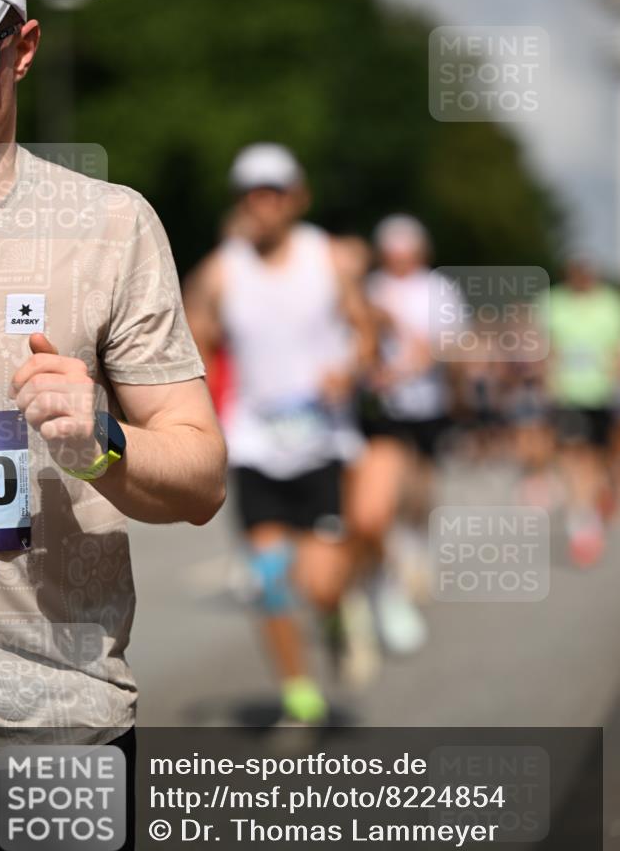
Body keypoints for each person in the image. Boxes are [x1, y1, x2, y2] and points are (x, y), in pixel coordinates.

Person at [0, 0, 227, 851]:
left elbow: (198, 477)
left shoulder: (108, 230)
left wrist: (104, 440)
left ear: (21, 48)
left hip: (53, 733)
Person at [185, 142, 374, 722]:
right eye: (250, 192)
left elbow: (365, 332)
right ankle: (301, 694)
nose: (261, 203)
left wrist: (350, 369)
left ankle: (337, 612)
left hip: (321, 444)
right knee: (268, 581)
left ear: (297, 197)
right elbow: (189, 347)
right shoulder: (220, 270)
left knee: (319, 584)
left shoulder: (329, 258)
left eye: (272, 191)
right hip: (256, 445)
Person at [348, 215, 459, 650]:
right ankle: (392, 554)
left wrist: (410, 367)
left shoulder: (438, 289)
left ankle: (414, 539)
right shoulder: (372, 288)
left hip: (426, 401)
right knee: (385, 488)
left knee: (421, 480)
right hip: (382, 407)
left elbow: (448, 341)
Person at [541, 258, 620, 565]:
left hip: (603, 395)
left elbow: (618, 350)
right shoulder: (553, 303)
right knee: (575, 455)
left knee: (601, 458)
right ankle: (583, 526)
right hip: (567, 395)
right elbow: (545, 346)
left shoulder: (611, 305)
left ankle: (600, 495)